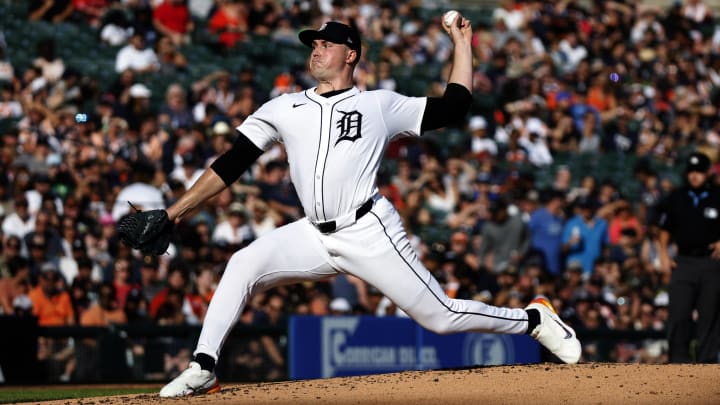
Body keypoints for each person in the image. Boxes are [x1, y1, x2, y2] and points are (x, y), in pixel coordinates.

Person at [152, 18, 581, 397]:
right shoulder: (284, 107)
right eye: (313, 43)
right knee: (242, 264)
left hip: (368, 229)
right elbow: (230, 164)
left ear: (351, 54)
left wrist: (462, 43)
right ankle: (203, 366)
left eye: (326, 43)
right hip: (313, 234)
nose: (316, 49)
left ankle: (532, 320)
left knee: (440, 318)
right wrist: (173, 213)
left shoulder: (378, 104)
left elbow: (455, 106)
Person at [658, 151, 720, 363]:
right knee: (678, 314)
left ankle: (708, 364)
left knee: (710, 316)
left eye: (699, 171)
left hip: (710, 262)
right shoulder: (677, 198)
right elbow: (664, 229)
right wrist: (664, 255)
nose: (695, 175)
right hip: (683, 262)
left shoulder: (717, 196)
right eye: (691, 171)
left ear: (707, 173)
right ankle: (678, 363)